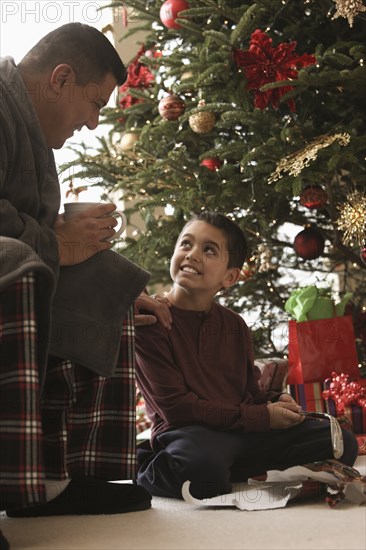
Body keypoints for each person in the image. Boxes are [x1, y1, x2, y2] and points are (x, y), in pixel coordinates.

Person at [0, 23, 169, 546]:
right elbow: (37, 241)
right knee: (21, 264)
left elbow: (46, 235)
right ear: (61, 78)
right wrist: (56, 244)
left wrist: (104, 286)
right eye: (94, 104)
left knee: (110, 280)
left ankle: (54, 479)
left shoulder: (33, 132)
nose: (93, 124)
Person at [134, 211, 359, 500]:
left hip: (242, 431)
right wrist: (263, 416)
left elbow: (250, 392)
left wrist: (277, 402)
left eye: (209, 250)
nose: (192, 255)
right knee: (204, 473)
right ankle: (146, 465)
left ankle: (234, 466)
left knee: (342, 443)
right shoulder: (152, 320)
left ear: (230, 277)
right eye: (186, 244)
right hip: (189, 434)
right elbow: (178, 409)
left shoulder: (234, 325)